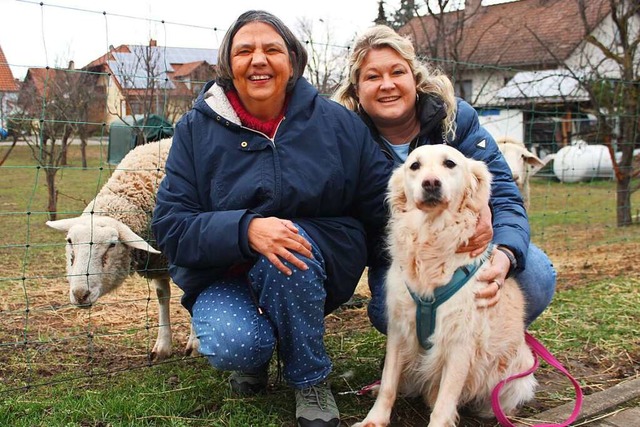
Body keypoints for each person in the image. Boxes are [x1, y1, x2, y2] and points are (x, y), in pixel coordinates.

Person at [151, 11, 393, 427]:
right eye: (245, 50)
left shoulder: (337, 125)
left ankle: (310, 379)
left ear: (293, 61)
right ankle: (255, 357)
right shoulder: (195, 130)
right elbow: (171, 226)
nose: (258, 59)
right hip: (224, 272)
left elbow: (381, 199)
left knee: (288, 248)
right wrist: (245, 229)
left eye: (272, 49)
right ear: (229, 64)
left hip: (315, 260)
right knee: (235, 343)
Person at [333, 25, 556, 334]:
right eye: (372, 77)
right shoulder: (345, 139)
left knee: (535, 276)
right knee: (388, 313)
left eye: (397, 72)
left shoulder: (455, 120)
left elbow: (504, 193)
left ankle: (481, 348)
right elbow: (352, 224)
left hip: (468, 248)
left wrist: (504, 252)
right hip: (404, 259)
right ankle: (426, 353)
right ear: (357, 89)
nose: (387, 85)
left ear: (415, 79)